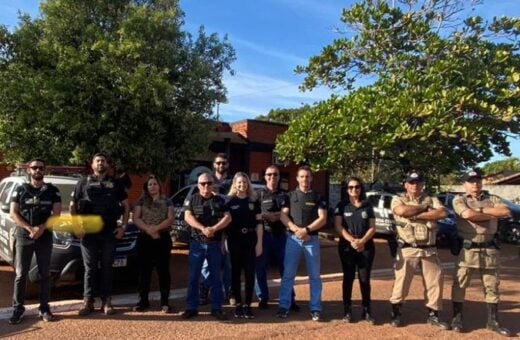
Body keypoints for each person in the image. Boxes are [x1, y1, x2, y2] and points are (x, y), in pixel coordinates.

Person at [451, 169, 512, 336]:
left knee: (492, 286)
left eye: (477, 180)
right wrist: (489, 213)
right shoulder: (459, 199)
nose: (475, 184)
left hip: (490, 248)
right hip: (467, 249)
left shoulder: (492, 198)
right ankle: (457, 318)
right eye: (471, 181)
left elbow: (505, 211)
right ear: (465, 184)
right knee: (460, 284)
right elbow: (467, 214)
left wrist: (480, 212)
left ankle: (493, 321)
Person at [71, 152, 130, 316]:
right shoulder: (83, 182)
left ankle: (107, 301)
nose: (100, 163)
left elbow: (126, 205)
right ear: (92, 164)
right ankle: (88, 302)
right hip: (88, 231)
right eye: (97, 161)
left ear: (107, 164)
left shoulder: (116, 183)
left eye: (103, 161)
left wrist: (123, 227)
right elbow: (72, 206)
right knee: (89, 268)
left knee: (107, 267)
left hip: (109, 231)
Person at [389, 170, 449, 330]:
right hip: (408, 247)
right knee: (401, 282)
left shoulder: (431, 198)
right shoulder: (398, 198)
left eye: (418, 182)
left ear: (423, 184)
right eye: (411, 182)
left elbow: (443, 212)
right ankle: (396, 313)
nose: (415, 185)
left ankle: (433, 315)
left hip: (429, 249)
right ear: (406, 185)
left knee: (435, 282)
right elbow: (402, 211)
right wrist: (425, 209)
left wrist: (415, 215)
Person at [9, 159, 61, 324]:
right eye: (34, 167)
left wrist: (41, 229)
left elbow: (57, 214)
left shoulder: (53, 190)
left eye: (40, 167)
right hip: (24, 236)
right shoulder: (21, 189)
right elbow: (13, 213)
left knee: (45, 274)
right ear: (28, 170)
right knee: (20, 274)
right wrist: (30, 229)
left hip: (44, 236)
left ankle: (44, 308)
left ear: (44, 170)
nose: (37, 170)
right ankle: (18, 309)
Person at [277, 165, 327, 321]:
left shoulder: (318, 197)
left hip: (311, 240)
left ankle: (316, 308)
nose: (305, 179)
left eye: (307, 176)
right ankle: (284, 306)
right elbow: (283, 216)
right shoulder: (289, 196)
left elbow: (323, 218)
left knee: (314, 276)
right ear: (297, 178)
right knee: (288, 275)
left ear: (311, 178)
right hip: (293, 239)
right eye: (302, 176)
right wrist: (296, 230)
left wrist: (306, 230)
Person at [182, 172, 231, 320]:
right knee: (193, 277)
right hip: (197, 243)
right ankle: (191, 307)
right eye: (203, 183)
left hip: (214, 244)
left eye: (209, 183)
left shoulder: (219, 201)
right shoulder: (192, 199)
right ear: (198, 185)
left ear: (213, 184)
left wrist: (214, 228)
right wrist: (203, 228)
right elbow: (187, 217)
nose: (206, 186)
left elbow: (228, 217)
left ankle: (216, 308)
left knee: (216, 277)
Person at [255, 165, 298, 311]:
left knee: (286, 269)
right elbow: (257, 215)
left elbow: (284, 213)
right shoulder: (258, 195)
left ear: (279, 177)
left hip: (281, 237)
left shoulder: (285, 196)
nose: (272, 177)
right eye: (269, 174)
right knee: (260, 269)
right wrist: (274, 215)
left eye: (275, 175)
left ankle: (289, 298)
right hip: (264, 236)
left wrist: (267, 215)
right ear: (265, 176)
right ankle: (263, 298)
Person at [334, 177, 376, 324]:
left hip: (366, 246)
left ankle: (366, 310)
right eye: (350, 187)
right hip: (347, 246)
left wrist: (362, 241)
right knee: (348, 277)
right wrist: (352, 241)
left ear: (361, 188)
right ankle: (347, 310)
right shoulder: (342, 205)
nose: (354, 190)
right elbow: (338, 226)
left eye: (357, 187)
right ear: (347, 190)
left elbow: (372, 227)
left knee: (364, 279)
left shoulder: (367, 205)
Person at [132, 175, 174, 313]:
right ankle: (143, 301)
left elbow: (170, 218)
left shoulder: (167, 200)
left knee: (163, 271)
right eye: (150, 184)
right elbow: (136, 218)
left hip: (162, 239)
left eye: (155, 184)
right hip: (145, 239)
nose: (152, 186)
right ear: (146, 187)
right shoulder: (141, 201)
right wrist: (149, 230)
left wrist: (156, 229)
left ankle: (165, 302)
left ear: (159, 186)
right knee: (144, 272)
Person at [225, 172, 263, 319]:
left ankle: (247, 304)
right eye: (239, 182)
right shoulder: (229, 201)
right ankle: (239, 305)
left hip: (250, 240)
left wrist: (259, 243)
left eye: (245, 182)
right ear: (235, 184)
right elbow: (225, 224)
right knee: (235, 273)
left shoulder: (254, 201)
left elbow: (259, 223)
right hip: (235, 240)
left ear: (248, 184)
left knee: (249, 273)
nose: (242, 185)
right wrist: (225, 242)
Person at [199, 153, 233, 305]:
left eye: (224, 163)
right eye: (218, 163)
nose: (221, 165)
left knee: (228, 263)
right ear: (214, 164)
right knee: (207, 264)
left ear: (227, 164)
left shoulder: (232, 182)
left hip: (228, 227)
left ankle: (230, 292)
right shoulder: (207, 180)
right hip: (210, 229)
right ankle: (204, 291)